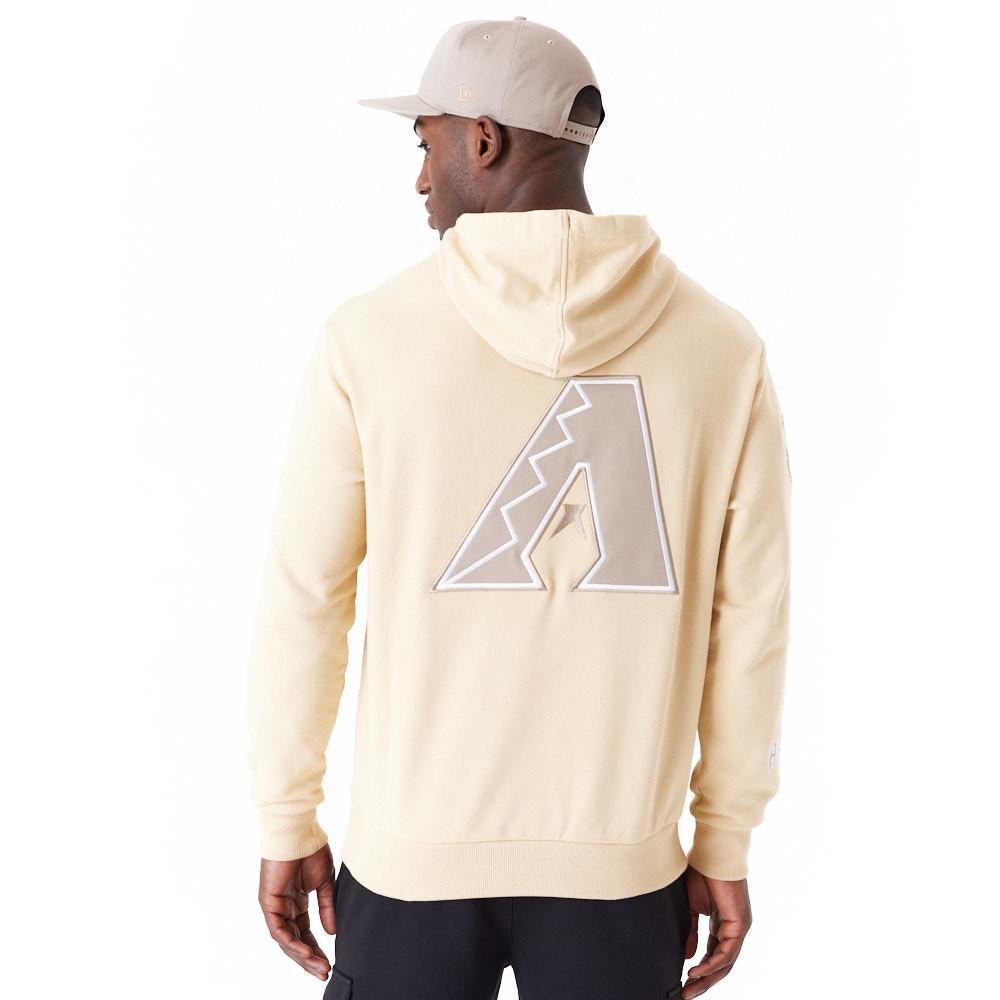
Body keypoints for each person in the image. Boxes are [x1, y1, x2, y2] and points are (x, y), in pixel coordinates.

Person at [248, 17, 790, 1000]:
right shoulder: (722, 349)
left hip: (412, 862)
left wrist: (288, 817)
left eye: (428, 143)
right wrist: (724, 836)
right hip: (620, 870)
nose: (420, 178)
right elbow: (750, 619)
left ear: (485, 139)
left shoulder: (369, 337)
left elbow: (306, 597)